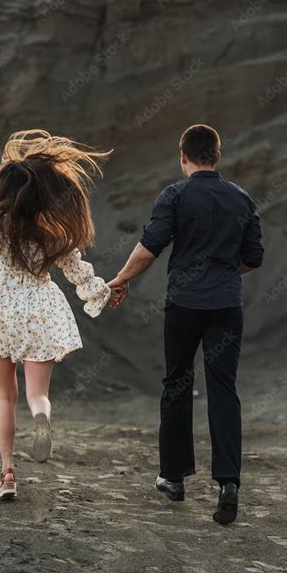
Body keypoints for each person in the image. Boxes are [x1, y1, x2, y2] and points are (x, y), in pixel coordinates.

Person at [0, 130, 118, 500]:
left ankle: (7, 474)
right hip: (42, 309)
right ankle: (43, 417)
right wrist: (101, 293)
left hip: (0, 308)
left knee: (5, 397)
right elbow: (77, 272)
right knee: (38, 394)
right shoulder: (55, 231)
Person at [108, 124, 264, 524]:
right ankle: (228, 483)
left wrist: (120, 279)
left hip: (184, 304)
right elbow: (254, 257)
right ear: (218, 155)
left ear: (183, 156)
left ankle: (174, 478)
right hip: (226, 305)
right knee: (223, 389)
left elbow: (150, 248)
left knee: (177, 383)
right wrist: (224, 269)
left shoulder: (175, 196)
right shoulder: (241, 199)